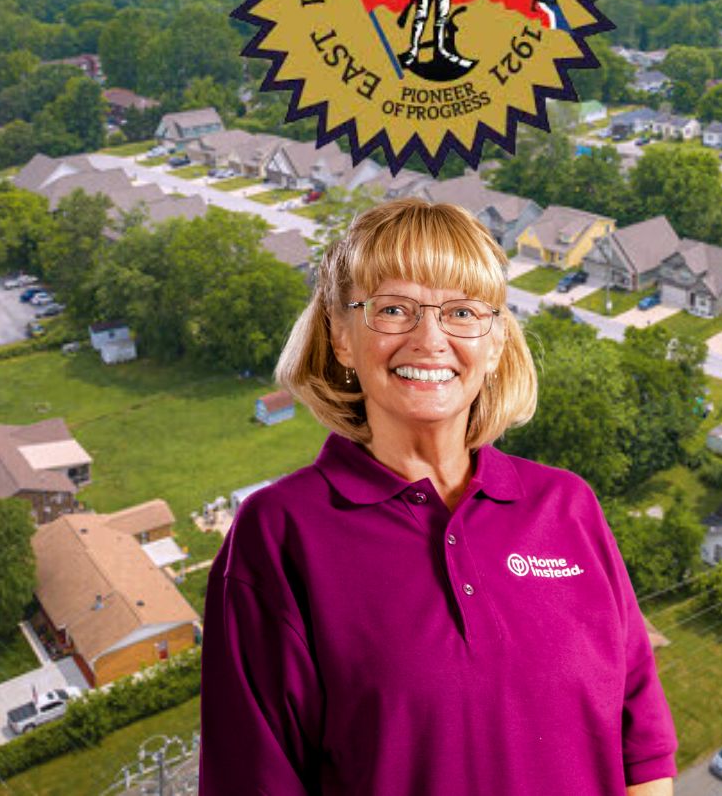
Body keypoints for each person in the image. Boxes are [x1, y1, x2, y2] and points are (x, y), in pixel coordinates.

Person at [199, 198, 677, 795]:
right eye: (393, 309)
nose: (430, 340)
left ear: (496, 342)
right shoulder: (279, 535)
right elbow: (253, 782)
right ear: (341, 337)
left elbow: (643, 744)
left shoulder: (567, 506)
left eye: (461, 312)